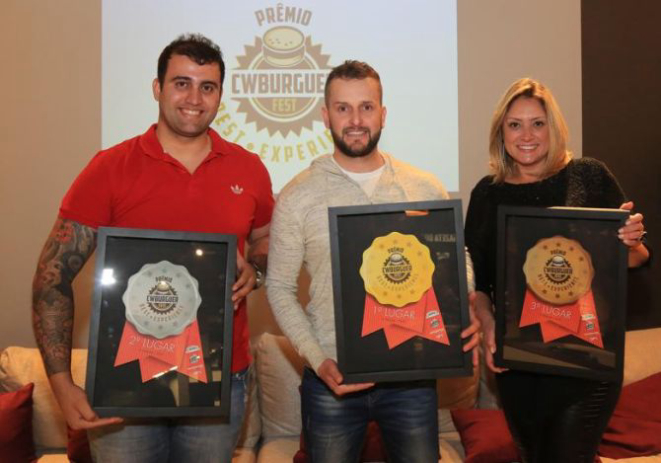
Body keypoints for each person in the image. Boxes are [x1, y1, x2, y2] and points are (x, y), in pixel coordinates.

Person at [31, 34, 274, 463]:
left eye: (208, 86)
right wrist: (62, 383)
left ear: (221, 94)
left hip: (219, 377)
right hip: (124, 379)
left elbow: (265, 240)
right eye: (181, 83)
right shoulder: (109, 167)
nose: (194, 98)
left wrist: (257, 268)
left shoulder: (249, 168)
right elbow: (52, 276)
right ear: (157, 88)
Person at [266, 60, 480, 463]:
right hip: (332, 379)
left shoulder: (422, 185)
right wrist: (316, 358)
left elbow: (458, 258)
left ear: (383, 113)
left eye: (366, 107)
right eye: (343, 108)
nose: (355, 120)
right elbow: (278, 288)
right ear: (325, 115)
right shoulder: (298, 196)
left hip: (412, 378)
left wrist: (460, 305)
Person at [465, 77, 650, 463]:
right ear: (502, 131)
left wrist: (630, 242)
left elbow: (637, 260)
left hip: (585, 360)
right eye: (515, 124)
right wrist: (488, 329)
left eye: (538, 122)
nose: (526, 134)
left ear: (554, 127)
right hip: (518, 364)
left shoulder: (589, 175)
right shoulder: (488, 193)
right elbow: (479, 283)